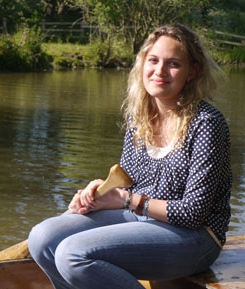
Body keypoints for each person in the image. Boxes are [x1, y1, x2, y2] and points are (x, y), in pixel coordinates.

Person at [28, 24, 231, 289]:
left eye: (173, 64)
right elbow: (128, 184)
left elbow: (192, 214)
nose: (159, 71)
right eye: (153, 60)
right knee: (42, 238)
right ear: (142, 63)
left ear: (192, 71)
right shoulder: (139, 118)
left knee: (74, 253)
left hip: (195, 237)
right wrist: (100, 195)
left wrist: (127, 199)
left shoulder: (207, 123)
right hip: (141, 219)